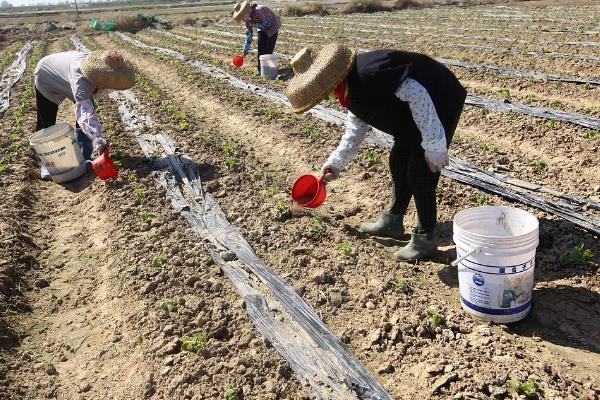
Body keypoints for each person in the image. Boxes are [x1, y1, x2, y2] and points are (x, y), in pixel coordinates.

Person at [284, 44, 467, 261]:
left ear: (327, 82)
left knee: (420, 173)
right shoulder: (347, 89)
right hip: (408, 114)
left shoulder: (370, 75)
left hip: (439, 98)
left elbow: (418, 95)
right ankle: (393, 221)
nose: (322, 98)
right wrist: (336, 162)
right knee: (398, 161)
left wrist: (434, 143)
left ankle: (425, 240)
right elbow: (356, 127)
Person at [34, 49, 135, 175]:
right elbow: (85, 113)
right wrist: (97, 138)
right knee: (46, 121)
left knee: (88, 107)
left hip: (65, 72)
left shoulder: (100, 67)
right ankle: (47, 165)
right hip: (47, 74)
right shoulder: (81, 78)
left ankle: (83, 156)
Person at [232, 0, 281, 74]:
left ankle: (269, 70)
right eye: (241, 18)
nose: (243, 19)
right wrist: (245, 50)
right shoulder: (247, 21)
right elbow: (249, 35)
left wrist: (254, 24)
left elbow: (267, 23)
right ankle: (261, 70)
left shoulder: (259, 10)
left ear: (246, 11)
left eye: (242, 17)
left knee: (268, 50)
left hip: (272, 26)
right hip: (261, 29)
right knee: (261, 50)